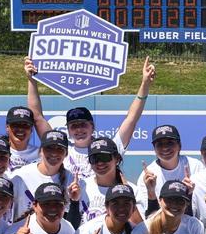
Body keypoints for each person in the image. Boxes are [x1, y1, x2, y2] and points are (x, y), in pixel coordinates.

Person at [24, 56, 156, 178]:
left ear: (92, 127)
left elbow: (131, 119)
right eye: (74, 126)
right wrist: (31, 79)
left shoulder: (108, 149)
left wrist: (145, 84)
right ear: (68, 130)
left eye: (83, 124)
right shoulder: (61, 150)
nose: (79, 129)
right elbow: (37, 117)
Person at [11, 130, 83, 224]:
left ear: (66, 154)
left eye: (59, 149)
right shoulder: (20, 176)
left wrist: (74, 201)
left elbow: (72, 224)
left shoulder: (72, 180)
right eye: (49, 148)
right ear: (40, 151)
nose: (54, 153)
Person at [135, 124, 206, 212]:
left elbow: (204, 209)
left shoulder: (195, 166)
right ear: (154, 148)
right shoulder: (148, 176)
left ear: (179, 145)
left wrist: (189, 194)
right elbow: (149, 216)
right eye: (160, 144)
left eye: (170, 143)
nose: (165, 148)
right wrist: (151, 191)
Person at [4, 106, 41, 171]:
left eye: (25, 125)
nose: (20, 129)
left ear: (31, 129)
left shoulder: (40, 155)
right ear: (7, 127)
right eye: (16, 125)